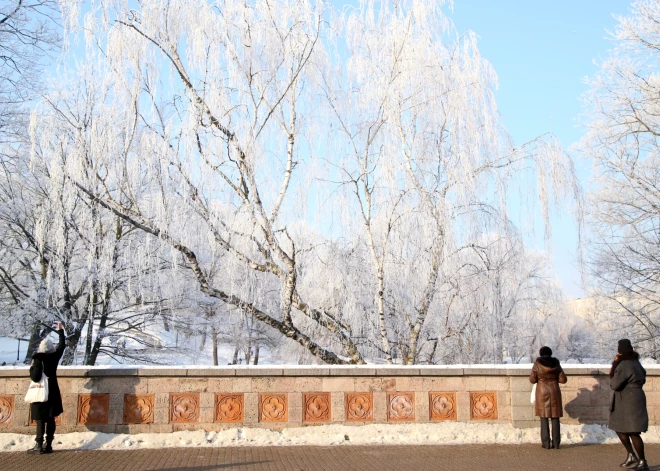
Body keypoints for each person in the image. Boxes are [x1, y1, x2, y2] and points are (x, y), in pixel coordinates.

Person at [609, 339, 649, 471]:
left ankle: (642, 461)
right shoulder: (636, 363)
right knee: (622, 427)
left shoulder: (624, 364)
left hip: (627, 399)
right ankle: (632, 455)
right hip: (635, 396)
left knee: (632, 431)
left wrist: (615, 364)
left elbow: (614, 384)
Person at [27, 322, 65, 455]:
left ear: (41, 349)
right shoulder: (54, 357)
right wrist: (60, 332)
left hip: (40, 391)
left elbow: (35, 377)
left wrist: (32, 368)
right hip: (52, 391)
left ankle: (38, 445)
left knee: (40, 419)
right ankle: (48, 445)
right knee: (50, 418)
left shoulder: (38, 359)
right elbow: (61, 347)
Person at [529, 346, 567, 449]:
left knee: (544, 417)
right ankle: (556, 443)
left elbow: (532, 380)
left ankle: (546, 443)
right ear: (550, 353)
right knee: (555, 417)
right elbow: (563, 380)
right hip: (554, 391)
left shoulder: (537, 365)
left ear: (541, 354)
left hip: (542, 392)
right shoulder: (556, 364)